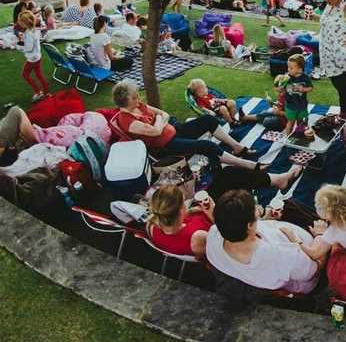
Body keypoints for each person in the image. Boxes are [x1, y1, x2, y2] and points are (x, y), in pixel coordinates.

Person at [111, 80, 261, 170]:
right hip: (166, 145)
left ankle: (237, 148)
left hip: (174, 131)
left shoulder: (139, 106)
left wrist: (159, 122)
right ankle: (247, 164)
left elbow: (165, 114)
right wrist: (159, 121)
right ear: (125, 100)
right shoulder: (127, 121)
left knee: (208, 120)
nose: (138, 98)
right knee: (206, 146)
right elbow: (156, 131)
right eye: (134, 97)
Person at [206, 190, 324, 293]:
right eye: (255, 211)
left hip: (281, 248)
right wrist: (320, 236)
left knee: (288, 204)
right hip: (310, 251)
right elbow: (314, 271)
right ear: (249, 225)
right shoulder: (280, 254)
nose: (258, 210)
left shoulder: (214, 234)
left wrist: (265, 220)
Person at [272, 54, 313, 136]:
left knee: (300, 122)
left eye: (291, 68)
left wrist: (303, 89)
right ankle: (288, 137)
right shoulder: (287, 78)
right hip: (290, 105)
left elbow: (311, 88)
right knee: (290, 122)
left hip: (302, 105)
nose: (288, 69)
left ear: (300, 69)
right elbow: (278, 88)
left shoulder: (305, 78)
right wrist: (279, 89)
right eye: (288, 67)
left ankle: (299, 136)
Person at [17, 11, 50, 102]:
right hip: (37, 56)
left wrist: (19, 46)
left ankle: (38, 92)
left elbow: (29, 48)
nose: (19, 23)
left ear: (24, 23)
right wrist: (24, 38)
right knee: (39, 75)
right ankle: (46, 92)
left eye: (20, 22)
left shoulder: (28, 33)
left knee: (25, 75)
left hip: (32, 59)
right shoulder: (34, 30)